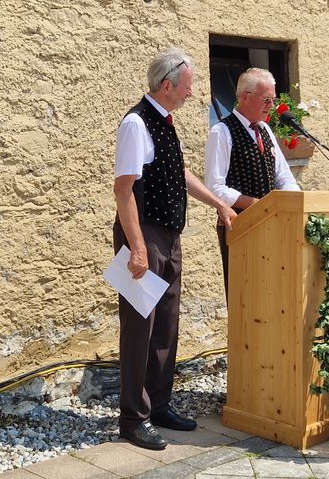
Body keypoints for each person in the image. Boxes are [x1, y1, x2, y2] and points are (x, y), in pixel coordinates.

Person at [113, 48, 236, 451]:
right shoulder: (136, 122)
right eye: (188, 86)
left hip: (168, 235)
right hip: (143, 235)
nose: (192, 93)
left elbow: (179, 173)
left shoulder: (164, 123)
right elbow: (124, 189)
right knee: (139, 330)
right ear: (167, 85)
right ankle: (133, 418)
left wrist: (218, 202)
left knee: (165, 325)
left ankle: (159, 405)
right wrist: (136, 247)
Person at [204, 67, 300, 297]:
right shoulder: (222, 132)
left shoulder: (265, 129)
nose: (271, 106)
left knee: (270, 293)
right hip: (239, 226)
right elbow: (214, 187)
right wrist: (257, 204)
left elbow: (283, 176)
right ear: (245, 97)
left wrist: (296, 200)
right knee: (244, 296)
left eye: (273, 100)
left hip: (269, 224)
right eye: (266, 99)